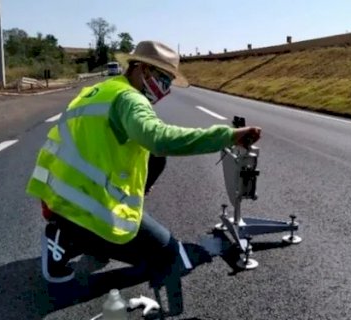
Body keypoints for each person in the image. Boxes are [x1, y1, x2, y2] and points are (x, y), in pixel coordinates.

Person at [25, 40, 261, 316]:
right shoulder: (130, 99)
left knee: (155, 159)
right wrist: (227, 135)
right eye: (162, 77)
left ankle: (79, 235)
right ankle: (68, 240)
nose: (165, 88)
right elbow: (158, 138)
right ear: (141, 68)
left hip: (58, 195)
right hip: (87, 208)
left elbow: (144, 151)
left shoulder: (99, 90)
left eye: (169, 80)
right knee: (167, 255)